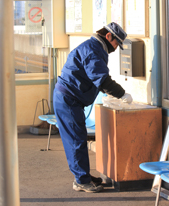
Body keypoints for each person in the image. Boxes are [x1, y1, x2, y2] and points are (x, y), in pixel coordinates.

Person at [53, 22, 133, 193]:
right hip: (68, 100)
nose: (116, 48)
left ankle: (83, 176)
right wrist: (122, 94)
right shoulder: (93, 50)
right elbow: (102, 80)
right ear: (109, 36)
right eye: (116, 43)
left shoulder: (95, 47)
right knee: (76, 140)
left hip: (69, 99)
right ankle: (81, 180)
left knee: (77, 138)